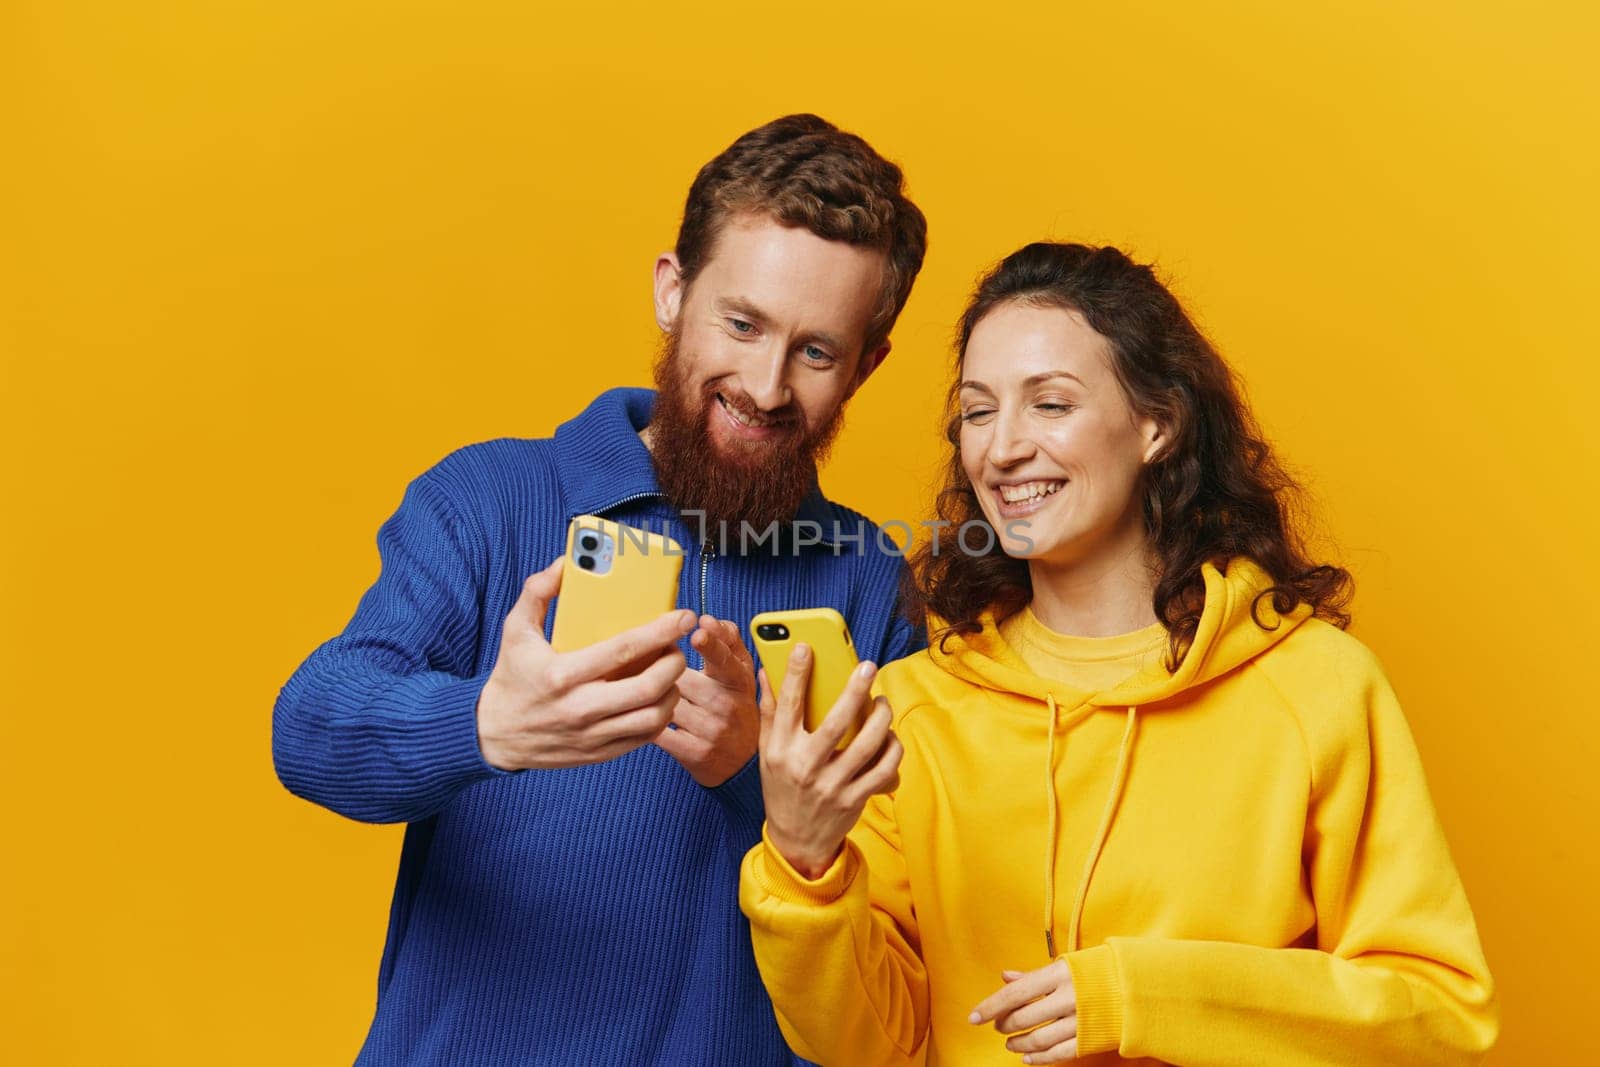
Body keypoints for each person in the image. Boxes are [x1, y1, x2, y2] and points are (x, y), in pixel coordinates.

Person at [740, 242, 1499, 1065]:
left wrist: (1145, 997)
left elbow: (1441, 1019)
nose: (1002, 449)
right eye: (979, 410)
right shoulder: (915, 708)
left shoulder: (1315, 689)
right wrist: (806, 861)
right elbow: (869, 1044)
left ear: (1156, 425)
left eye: (1051, 404)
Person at [273, 113, 928, 1065]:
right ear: (672, 292)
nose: (766, 383)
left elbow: (900, 919)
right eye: (740, 324)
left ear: (866, 364)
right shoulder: (491, 499)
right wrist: (487, 726)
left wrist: (758, 772)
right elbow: (312, 729)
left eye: (817, 351)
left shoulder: (871, 583)